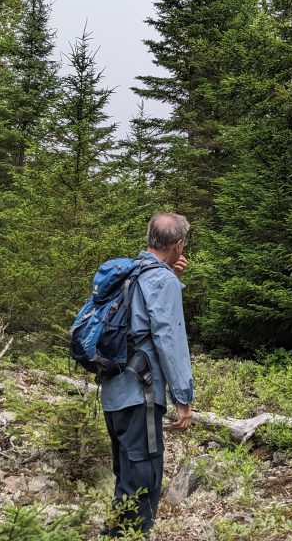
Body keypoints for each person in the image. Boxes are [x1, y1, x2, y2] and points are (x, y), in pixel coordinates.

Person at [99, 213, 195, 537]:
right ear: (178, 244)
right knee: (144, 482)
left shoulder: (129, 272)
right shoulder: (163, 281)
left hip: (113, 394)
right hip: (142, 396)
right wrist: (184, 397)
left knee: (126, 478)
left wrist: (169, 272)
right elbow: (170, 339)